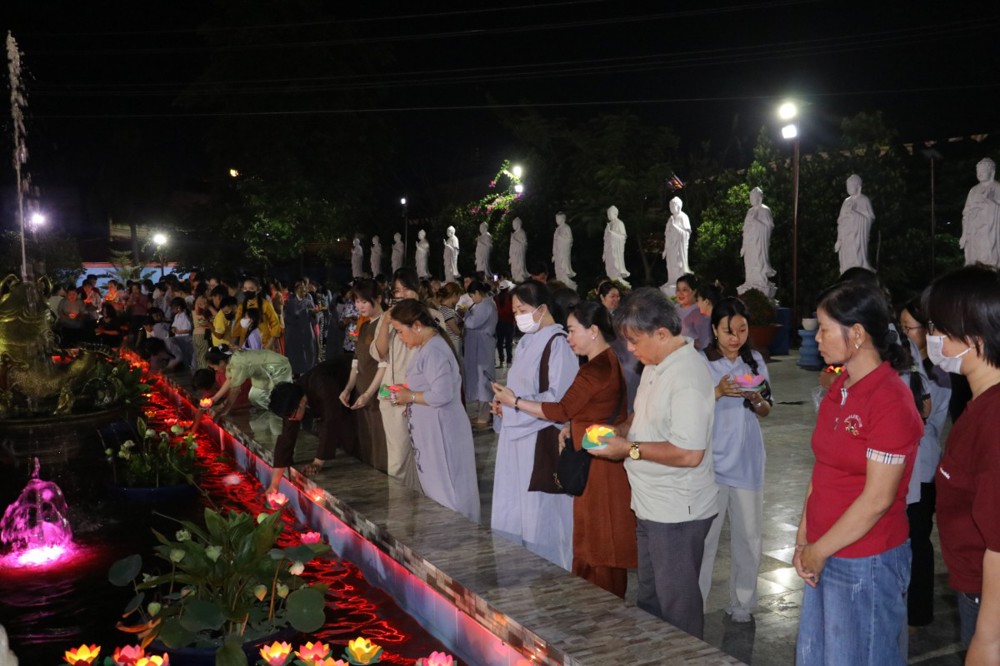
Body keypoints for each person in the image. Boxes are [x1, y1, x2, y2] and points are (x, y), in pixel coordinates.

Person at [794, 280, 922, 665]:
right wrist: (804, 539)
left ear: (858, 334)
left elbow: (878, 499)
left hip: (866, 559)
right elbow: (823, 468)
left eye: (824, 329)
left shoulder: (890, 399)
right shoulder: (840, 387)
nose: (817, 338)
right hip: (824, 549)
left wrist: (818, 550)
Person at [588, 287, 717, 638]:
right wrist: (618, 430)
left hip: (677, 512)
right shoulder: (655, 363)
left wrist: (627, 448)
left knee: (677, 608)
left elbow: (689, 453)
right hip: (650, 504)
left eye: (634, 340)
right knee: (650, 599)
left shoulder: (687, 376)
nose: (630, 349)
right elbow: (640, 415)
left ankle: (687, 659)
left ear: (661, 333)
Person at [492, 301, 636, 597]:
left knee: (598, 541)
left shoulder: (594, 370)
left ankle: (602, 607)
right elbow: (592, 410)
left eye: (572, 331)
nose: (568, 338)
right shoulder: (608, 360)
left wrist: (515, 402)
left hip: (598, 464)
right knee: (595, 537)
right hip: (599, 454)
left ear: (593, 331)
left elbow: (560, 409)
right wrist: (574, 426)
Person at [923, 265, 1000, 657]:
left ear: (974, 338)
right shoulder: (980, 405)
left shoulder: (995, 417)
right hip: (974, 590)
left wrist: (987, 640)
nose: (931, 338)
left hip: (989, 601)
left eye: (938, 328)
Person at [490, 280, 578, 569]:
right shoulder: (527, 342)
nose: (518, 317)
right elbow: (520, 390)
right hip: (516, 437)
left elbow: (559, 399)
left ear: (542, 308)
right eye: (515, 311)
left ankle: (553, 573)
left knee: (543, 516)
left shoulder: (558, 343)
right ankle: (521, 570)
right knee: (515, 511)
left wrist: (515, 403)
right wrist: (504, 404)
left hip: (541, 439)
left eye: (522, 310)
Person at [698, 297, 771, 624]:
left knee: (749, 536)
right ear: (715, 329)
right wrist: (717, 392)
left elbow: (767, 408)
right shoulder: (701, 361)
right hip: (710, 462)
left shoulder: (753, 360)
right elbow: (690, 406)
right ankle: (695, 602)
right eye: (728, 331)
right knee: (705, 540)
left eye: (742, 330)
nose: (735, 337)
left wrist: (755, 398)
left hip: (746, 459)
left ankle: (743, 602)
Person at [383, 299, 480, 522]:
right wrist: (408, 394)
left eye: (400, 331)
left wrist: (410, 396)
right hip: (431, 429)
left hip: (443, 429)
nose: (400, 337)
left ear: (416, 325)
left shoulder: (434, 350)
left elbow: (443, 394)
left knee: (448, 486)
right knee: (436, 486)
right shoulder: (425, 347)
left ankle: (457, 530)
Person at [899, 296, 951, 630]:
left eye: (911, 328)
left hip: (924, 464)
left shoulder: (938, 371)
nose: (905, 334)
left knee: (918, 538)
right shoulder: (901, 363)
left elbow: (928, 417)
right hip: (902, 463)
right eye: (901, 327)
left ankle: (919, 611)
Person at [371, 267, 443, 489]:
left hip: (421, 396)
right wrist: (386, 323)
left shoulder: (433, 317)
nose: (401, 294)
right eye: (397, 290)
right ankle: (400, 505)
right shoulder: (388, 318)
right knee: (398, 460)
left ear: (417, 290)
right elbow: (379, 354)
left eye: (406, 289)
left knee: (427, 458)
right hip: (392, 396)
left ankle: (426, 501)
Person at [265, 356, 357, 495]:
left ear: (302, 402)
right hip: (337, 398)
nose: (292, 419)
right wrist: (274, 484)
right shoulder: (292, 402)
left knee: (346, 432)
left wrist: (317, 462)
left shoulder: (321, 384)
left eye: (293, 415)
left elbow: (330, 421)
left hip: (354, 380)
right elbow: (286, 438)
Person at [339, 279, 389, 472]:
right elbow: (356, 361)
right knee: (367, 441)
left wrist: (369, 393)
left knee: (381, 442)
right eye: (357, 301)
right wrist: (348, 388)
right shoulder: (365, 325)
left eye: (364, 301)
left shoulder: (385, 325)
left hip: (378, 392)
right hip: (362, 392)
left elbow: (384, 364)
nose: (359, 306)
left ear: (378, 299)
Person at [206, 345, 293, 413]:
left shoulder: (237, 364)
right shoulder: (230, 361)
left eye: (214, 367)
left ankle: (287, 413)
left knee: (280, 397)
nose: (215, 370)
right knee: (256, 397)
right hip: (263, 372)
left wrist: (224, 411)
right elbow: (231, 380)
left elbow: (235, 390)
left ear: (221, 362)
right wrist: (214, 399)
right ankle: (273, 412)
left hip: (277, 367)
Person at [463, 280, 498, 426]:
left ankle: (485, 416)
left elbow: (472, 323)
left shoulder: (486, 306)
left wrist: (465, 315)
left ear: (477, 293)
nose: (472, 299)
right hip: (479, 346)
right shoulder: (482, 305)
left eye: (472, 296)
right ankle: (482, 414)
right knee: (479, 381)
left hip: (482, 346)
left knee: (483, 381)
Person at [960, 157, 1000, 268]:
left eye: (983, 171)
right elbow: (966, 213)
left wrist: (993, 200)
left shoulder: (997, 187)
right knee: (973, 256)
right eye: (978, 171)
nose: (980, 173)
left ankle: (991, 272)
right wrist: (964, 234)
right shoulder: (973, 190)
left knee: (988, 255)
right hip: (974, 230)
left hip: (991, 230)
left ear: (992, 172)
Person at [835, 174, 876, 275]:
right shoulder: (846, 201)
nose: (848, 188)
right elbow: (840, 220)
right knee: (846, 262)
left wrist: (854, 215)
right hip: (846, 237)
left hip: (858, 237)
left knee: (857, 257)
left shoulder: (864, 200)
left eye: (851, 186)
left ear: (858, 187)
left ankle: (860, 271)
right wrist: (839, 239)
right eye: (847, 186)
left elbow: (869, 218)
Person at [739, 187, 777, 295]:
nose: (751, 199)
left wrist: (756, 222)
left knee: (759, 262)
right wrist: (743, 246)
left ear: (759, 197)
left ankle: (760, 281)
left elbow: (768, 227)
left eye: (753, 197)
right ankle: (750, 281)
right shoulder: (750, 211)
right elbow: (745, 230)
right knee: (749, 263)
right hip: (749, 243)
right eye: (750, 197)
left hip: (759, 243)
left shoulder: (765, 210)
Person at [234, 278, 281, 350]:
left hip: (264, 344)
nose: (247, 291)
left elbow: (275, 323)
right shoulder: (241, 307)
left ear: (258, 290)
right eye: (245, 288)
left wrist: (270, 343)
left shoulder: (265, 304)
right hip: (246, 345)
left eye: (251, 288)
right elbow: (237, 328)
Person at [284, 279, 317, 376]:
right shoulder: (290, 303)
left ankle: (308, 371)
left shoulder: (309, 302)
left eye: (304, 290)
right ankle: (295, 372)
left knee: (308, 351)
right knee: (295, 352)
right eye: (301, 290)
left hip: (306, 330)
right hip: (294, 332)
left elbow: (314, 318)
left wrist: (313, 315)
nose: (303, 292)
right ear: (296, 291)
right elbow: (287, 318)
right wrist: (296, 318)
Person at [675, 274, 712, 351]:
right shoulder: (674, 309)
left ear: (694, 291)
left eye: (684, 290)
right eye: (678, 290)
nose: (680, 293)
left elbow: (705, 342)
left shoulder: (700, 311)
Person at [663, 197, 692, 290]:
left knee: (678, 264)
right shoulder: (670, 219)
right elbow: (667, 234)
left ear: (679, 206)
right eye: (670, 206)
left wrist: (674, 226)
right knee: (670, 265)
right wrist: (665, 249)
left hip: (679, 247)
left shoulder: (683, 217)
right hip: (671, 247)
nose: (671, 207)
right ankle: (671, 281)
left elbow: (686, 233)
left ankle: (678, 282)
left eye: (673, 205)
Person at [602, 206, 630, 286]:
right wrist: (604, 252)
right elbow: (605, 239)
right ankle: (611, 279)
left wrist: (612, 233)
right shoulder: (608, 225)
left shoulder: (619, 223)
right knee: (609, 266)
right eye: (607, 214)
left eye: (609, 213)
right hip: (609, 249)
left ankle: (617, 280)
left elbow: (622, 237)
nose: (608, 215)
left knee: (615, 265)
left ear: (615, 213)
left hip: (616, 250)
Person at [552, 211, 577, 289]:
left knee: (563, 268)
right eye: (556, 219)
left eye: (558, 219)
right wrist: (554, 254)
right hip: (558, 252)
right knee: (558, 268)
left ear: (563, 219)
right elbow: (554, 243)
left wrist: (560, 238)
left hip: (563, 252)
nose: (556, 220)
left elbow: (570, 240)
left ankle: (565, 283)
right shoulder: (557, 229)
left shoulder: (566, 227)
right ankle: (560, 282)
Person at [494, 278, 515, 369]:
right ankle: (509, 361)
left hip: (499, 323)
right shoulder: (511, 297)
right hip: (509, 322)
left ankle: (501, 361)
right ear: (508, 288)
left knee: (499, 342)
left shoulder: (495, 298)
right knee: (508, 343)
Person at [509, 218, 528, 282]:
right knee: (513, 268)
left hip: (519, 254)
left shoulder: (522, 232)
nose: (513, 225)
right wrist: (510, 256)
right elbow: (511, 246)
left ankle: (520, 280)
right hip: (513, 254)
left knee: (520, 267)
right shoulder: (514, 234)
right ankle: (515, 280)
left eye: (514, 224)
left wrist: (514, 240)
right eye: (513, 224)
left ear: (518, 224)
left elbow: (524, 244)